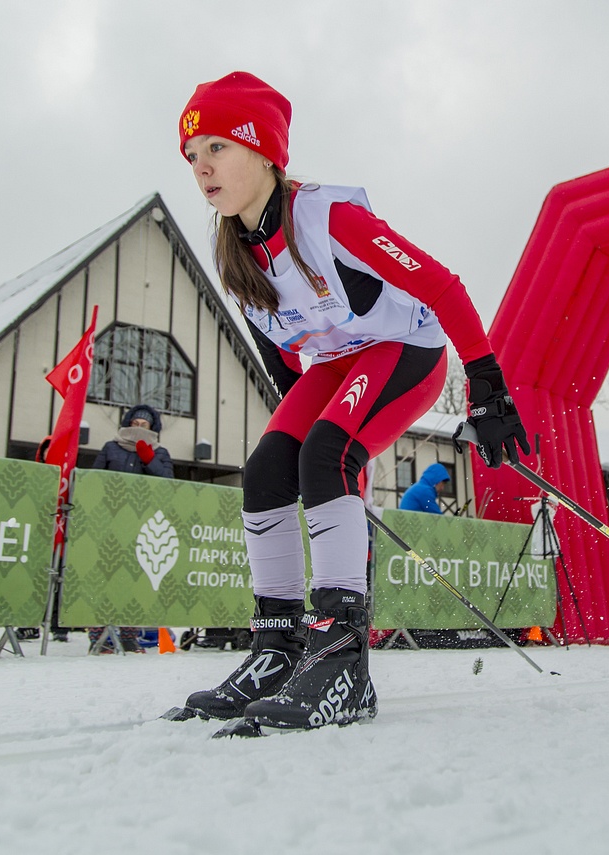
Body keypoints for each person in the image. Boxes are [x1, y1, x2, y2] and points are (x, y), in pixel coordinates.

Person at [172, 71, 529, 731]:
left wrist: (487, 383)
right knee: (266, 471)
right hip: (338, 363)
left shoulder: (328, 218)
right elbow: (281, 350)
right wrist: (295, 433)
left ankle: (341, 662)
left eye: (216, 148)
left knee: (326, 454)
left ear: (262, 151)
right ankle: (277, 651)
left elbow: (443, 286)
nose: (201, 168)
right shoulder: (235, 250)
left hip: (406, 348)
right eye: (192, 156)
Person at [88, 403, 174, 652]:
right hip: (109, 522)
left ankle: (128, 636)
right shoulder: (110, 447)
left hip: (141, 523)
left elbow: (167, 484)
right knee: (103, 578)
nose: (138, 428)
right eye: (134, 424)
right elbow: (95, 480)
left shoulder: (160, 452)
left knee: (132, 581)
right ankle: (99, 637)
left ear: (152, 427)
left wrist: (149, 460)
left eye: (143, 425)